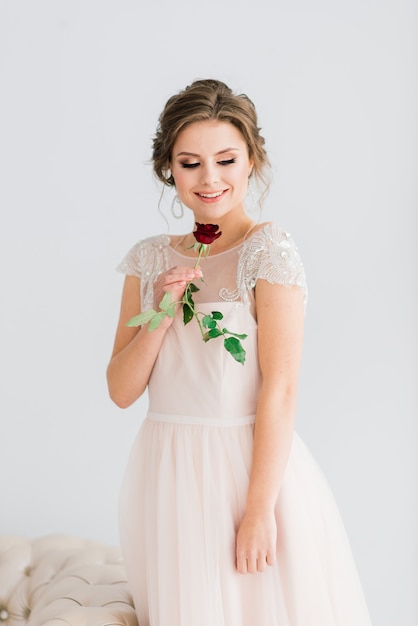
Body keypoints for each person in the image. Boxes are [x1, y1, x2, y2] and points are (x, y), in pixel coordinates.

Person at [107, 79, 372, 626]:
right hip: (166, 472)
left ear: (252, 161)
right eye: (189, 162)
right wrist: (159, 312)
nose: (209, 178)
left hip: (245, 472)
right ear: (168, 170)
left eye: (226, 159)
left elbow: (281, 388)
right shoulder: (148, 259)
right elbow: (121, 390)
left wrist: (258, 511)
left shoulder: (268, 253)